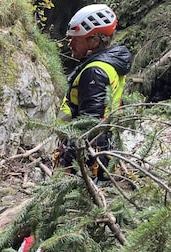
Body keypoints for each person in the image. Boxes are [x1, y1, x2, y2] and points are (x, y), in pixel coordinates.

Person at [54, 4, 132, 181]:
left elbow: (88, 124)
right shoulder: (109, 64)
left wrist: (69, 165)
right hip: (99, 151)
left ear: (94, 41)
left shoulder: (95, 72)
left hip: (86, 158)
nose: (70, 43)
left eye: (76, 39)